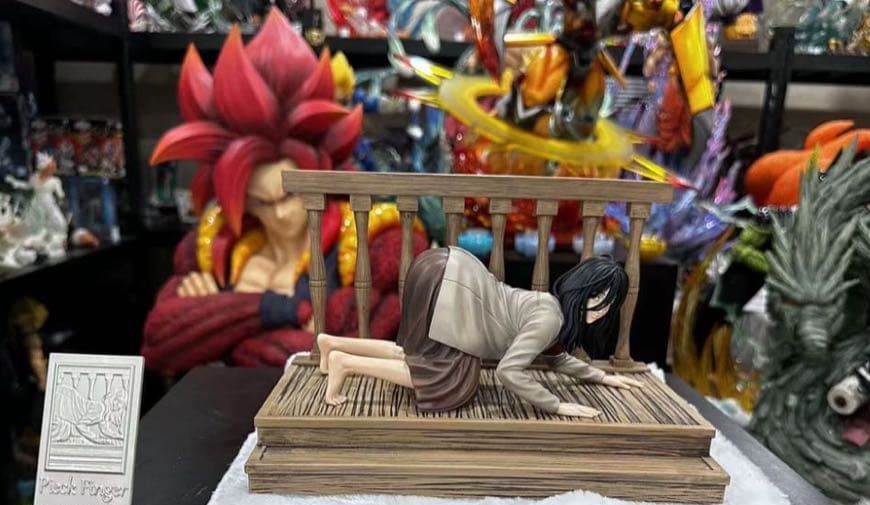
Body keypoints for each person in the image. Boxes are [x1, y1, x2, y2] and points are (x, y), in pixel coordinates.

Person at [142, 9, 426, 373]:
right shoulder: (215, 247)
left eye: (290, 195)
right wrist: (277, 311)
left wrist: (216, 324)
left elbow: (353, 352)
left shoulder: (372, 241)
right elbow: (158, 345)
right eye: (261, 202)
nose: (279, 213)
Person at [319, 246, 642, 417]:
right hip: (455, 289)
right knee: (444, 381)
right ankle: (346, 363)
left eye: (607, 304)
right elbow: (508, 371)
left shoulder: (550, 309)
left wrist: (601, 377)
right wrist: (556, 405)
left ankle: (331, 344)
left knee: (413, 353)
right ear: (581, 289)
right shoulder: (550, 320)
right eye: (596, 298)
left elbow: (556, 358)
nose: (600, 310)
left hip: (444, 266)